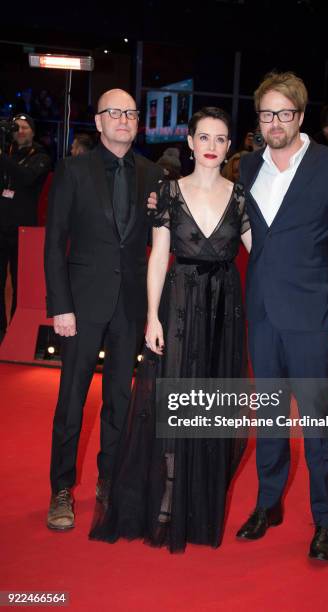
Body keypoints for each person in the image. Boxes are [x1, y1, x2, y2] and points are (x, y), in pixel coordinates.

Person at [89, 107, 252, 553]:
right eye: (205, 137)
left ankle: (198, 505)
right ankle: (166, 499)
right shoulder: (168, 192)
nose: (212, 147)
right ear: (191, 142)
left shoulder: (240, 197)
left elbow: (262, 255)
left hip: (224, 311)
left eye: (221, 139)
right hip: (179, 305)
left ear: (228, 146)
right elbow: (158, 257)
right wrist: (153, 315)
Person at [235, 72, 328, 561]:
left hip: (314, 317)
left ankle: (325, 521)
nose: (275, 122)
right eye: (266, 114)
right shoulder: (246, 167)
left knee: (316, 424)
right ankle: (268, 504)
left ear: (300, 116)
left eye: (283, 113)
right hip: (263, 314)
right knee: (267, 418)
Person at [44, 89, 163, 531]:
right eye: (114, 112)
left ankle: (109, 479)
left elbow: (159, 242)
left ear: (138, 123)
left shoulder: (152, 175)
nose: (123, 119)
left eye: (130, 113)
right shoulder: (73, 170)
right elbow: (55, 242)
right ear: (98, 122)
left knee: (119, 399)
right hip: (81, 304)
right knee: (71, 399)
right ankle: (61, 488)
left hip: (129, 305)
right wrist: (61, 305)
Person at [0, 113, 51, 342]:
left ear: (33, 131)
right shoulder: (7, 153)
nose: (20, 131)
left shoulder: (40, 156)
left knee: (21, 284)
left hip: (24, 230)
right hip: (2, 225)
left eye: (25, 128)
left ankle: (17, 331)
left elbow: (26, 178)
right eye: (16, 128)